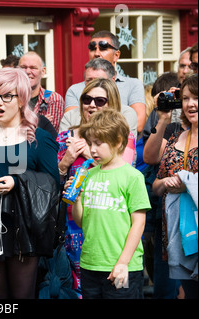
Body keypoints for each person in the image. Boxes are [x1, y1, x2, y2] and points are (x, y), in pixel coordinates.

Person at [0, 67, 59, 299]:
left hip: (22, 229)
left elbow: (53, 185)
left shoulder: (39, 137)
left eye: (7, 96)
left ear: (22, 99)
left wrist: (17, 182)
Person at [57, 77, 133, 297]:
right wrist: (66, 161)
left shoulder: (121, 136)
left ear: (112, 104)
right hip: (71, 223)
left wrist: (87, 153)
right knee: (77, 289)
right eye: (87, 99)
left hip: (107, 225)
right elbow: (53, 180)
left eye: (100, 100)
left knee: (111, 289)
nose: (92, 105)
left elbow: (122, 171)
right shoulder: (66, 136)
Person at [68, 109, 151, 299]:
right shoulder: (88, 174)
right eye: (90, 143)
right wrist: (77, 199)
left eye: (99, 143)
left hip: (123, 267)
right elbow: (81, 222)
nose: (93, 149)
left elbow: (139, 223)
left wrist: (123, 263)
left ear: (118, 141)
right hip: (90, 264)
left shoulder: (132, 177)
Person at [152, 74, 198, 299]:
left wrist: (188, 184)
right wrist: (166, 183)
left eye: (197, 98)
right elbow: (156, 185)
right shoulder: (177, 138)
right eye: (187, 98)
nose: (191, 104)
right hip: (181, 233)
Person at [65, 31, 146, 133]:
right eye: (92, 49)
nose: (97, 53)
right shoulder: (74, 90)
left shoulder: (133, 85)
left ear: (116, 55)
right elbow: (71, 125)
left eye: (103, 48)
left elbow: (137, 125)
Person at [59, 58, 138, 139]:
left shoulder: (126, 114)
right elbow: (62, 149)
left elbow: (125, 149)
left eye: (100, 101)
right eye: (89, 80)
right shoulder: (70, 117)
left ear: (112, 81)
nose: (94, 84)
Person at [18, 51, 65, 131]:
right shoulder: (10, 97)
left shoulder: (53, 99)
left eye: (33, 68)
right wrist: (41, 122)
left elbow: (48, 134)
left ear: (43, 72)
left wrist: (20, 124)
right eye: (24, 67)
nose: (28, 72)